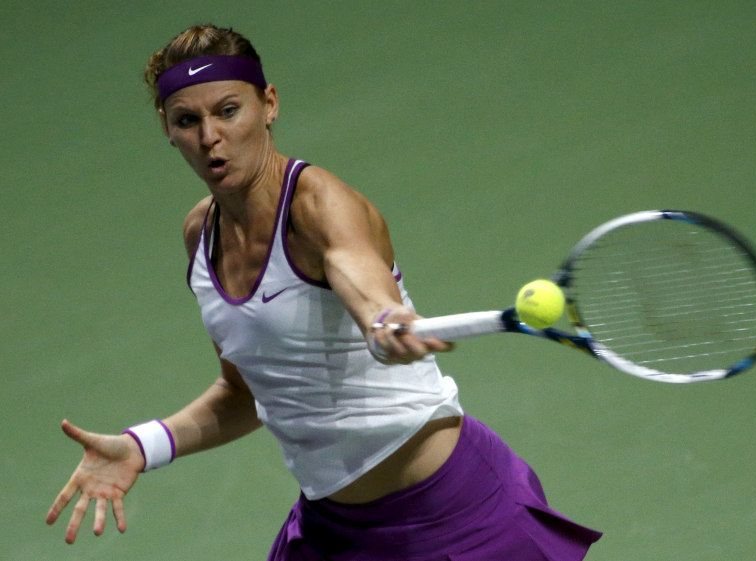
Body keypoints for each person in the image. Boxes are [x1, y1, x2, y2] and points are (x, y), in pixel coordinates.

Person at [46, 24, 602, 560]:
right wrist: (142, 446)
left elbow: (363, 280)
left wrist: (382, 319)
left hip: (453, 515)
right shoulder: (201, 236)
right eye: (187, 120)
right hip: (335, 533)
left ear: (269, 105)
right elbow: (246, 395)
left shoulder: (319, 206)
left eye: (228, 111)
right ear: (168, 130)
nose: (210, 137)